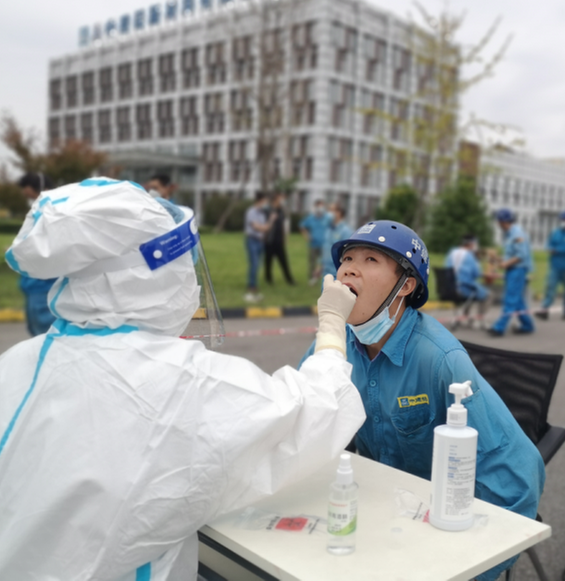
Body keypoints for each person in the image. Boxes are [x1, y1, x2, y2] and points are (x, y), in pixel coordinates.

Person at [0, 178, 366, 581]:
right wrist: (332, 325)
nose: (192, 282)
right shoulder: (179, 382)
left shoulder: (19, 362)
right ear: (153, 272)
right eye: (185, 267)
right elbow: (312, 415)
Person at [299, 220, 545, 581]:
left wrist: (470, 567)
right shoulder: (333, 344)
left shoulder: (442, 359)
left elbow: (517, 476)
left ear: (405, 285)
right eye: (347, 259)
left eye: (370, 260)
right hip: (374, 509)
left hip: (434, 522)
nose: (349, 268)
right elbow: (298, 421)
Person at [16, 172, 57, 336]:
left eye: (28, 192)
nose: (26, 195)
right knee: (37, 332)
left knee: (45, 333)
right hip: (34, 284)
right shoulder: (36, 213)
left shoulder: (52, 213)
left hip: (45, 285)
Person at [487, 209, 535, 336]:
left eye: (498, 221)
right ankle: (527, 325)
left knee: (510, 299)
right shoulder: (508, 234)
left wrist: (505, 264)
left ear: (503, 221)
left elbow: (521, 255)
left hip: (517, 270)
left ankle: (499, 328)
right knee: (517, 300)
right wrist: (497, 259)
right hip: (512, 270)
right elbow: (511, 254)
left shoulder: (517, 233)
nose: (497, 223)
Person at [536, 211, 565, 320]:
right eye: (563, 220)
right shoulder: (555, 233)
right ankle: (544, 310)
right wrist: (551, 249)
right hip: (555, 266)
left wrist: (557, 250)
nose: (564, 222)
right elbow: (549, 245)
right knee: (550, 288)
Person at [446, 234, 491, 328]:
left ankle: (465, 316)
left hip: (449, 288)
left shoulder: (452, 253)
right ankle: (480, 319)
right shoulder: (470, 256)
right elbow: (476, 274)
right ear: (472, 244)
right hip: (463, 289)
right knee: (487, 294)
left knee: (473, 290)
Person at [265, 190, 296, 286]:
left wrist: (285, 238)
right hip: (270, 240)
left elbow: (283, 225)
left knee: (283, 260)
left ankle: (289, 279)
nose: (283, 200)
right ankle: (268, 279)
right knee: (268, 261)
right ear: (275, 200)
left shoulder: (281, 211)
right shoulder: (268, 210)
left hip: (279, 240)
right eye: (281, 199)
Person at [244, 191, 270, 302]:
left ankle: (254, 283)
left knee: (258, 264)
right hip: (252, 240)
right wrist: (266, 226)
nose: (266, 203)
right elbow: (257, 226)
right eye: (265, 201)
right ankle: (251, 285)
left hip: (260, 241)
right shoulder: (251, 212)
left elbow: (265, 227)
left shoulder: (262, 213)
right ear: (261, 200)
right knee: (254, 263)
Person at [318, 203, 354, 280]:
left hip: (337, 274)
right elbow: (325, 248)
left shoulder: (346, 231)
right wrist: (320, 266)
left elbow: (349, 254)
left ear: (339, 213)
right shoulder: (328, 229)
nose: (328, 213)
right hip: (326, 272)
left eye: (331, 210)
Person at [300, 199, 332, 285]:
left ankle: (324, 277)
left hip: (324, 244)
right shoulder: (311, 218)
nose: (320, 208)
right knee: (312, 261)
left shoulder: (327, 218)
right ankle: (312, 277)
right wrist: (307, 236)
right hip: (313, 244)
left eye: (321, 206)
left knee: (324, 262)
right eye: (318, 206)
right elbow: (302, 226)